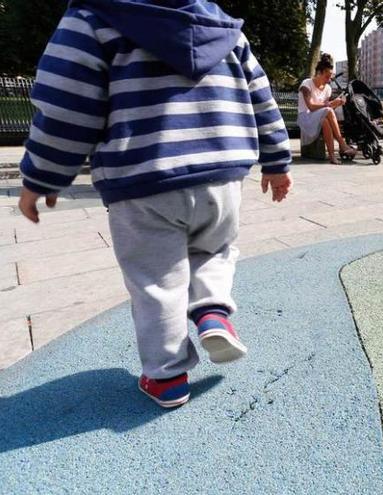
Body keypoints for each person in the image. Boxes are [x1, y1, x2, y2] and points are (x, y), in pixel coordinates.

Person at [17, 0, 292, 408]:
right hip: (222, 176)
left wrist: (43, 175)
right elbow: (261, 98)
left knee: (157, 281)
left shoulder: (94, 18)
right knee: (214, 249)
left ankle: (166, 377)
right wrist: (277, 160)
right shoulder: (222, 25)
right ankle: (213, 313)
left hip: (143, 178)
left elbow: (66, 105)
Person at [298, 54, 356, 165]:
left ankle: (332, 156)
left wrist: (337, 103)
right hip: (305, 118)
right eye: (327, 76)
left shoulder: (328, 89)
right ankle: (342, 144)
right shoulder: (306, 84)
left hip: (318, 117)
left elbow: (326, 109)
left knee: (325, 120)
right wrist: (330, 104)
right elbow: (311, 106)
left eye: (330, 76)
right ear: (319, 73)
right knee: (328, 112)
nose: (329, 80)